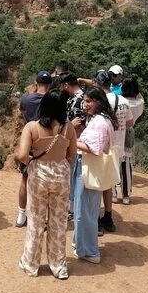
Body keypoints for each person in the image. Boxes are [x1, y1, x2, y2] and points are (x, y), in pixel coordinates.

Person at [17, 90, 77, 280]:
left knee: (36, 220)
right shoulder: (69, 128)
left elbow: (22, 155)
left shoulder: (32, 127)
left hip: (39, 175)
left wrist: (32, 161)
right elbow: (72, 154)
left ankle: (31, 264)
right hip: (61, 174)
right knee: (58, 222)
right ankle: (58, 266)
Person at [73, 88, 117, 264]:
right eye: (85, 101)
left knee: (84, 211)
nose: (85, 105)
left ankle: (89, 250)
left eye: (88, 101)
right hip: (91, 168)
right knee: (87, 210)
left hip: (88, 168)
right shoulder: (104, 119)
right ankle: (82, 244)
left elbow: (95, 148)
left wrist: (72, 142)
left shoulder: (99, 122)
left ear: (98, 102)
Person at [16, 71, 53, 227]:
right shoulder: (52, 100)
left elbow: (22, 111)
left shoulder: (26, 99)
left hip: (29, 141)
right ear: (50, 85)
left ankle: (21, 215)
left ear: (36, 83)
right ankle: (43, 218)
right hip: (47, 144)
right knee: (47, 182)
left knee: (25, 179)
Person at [92, 70, 120, 233]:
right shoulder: (117, 99)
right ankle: (108, 217)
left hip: (98, 147)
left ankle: (95, 220)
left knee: (96, 184)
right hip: (110, 146)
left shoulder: (98, 100)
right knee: (107, 184)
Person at [58, 72, 85, 218]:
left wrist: (68, 128)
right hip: (76, 142)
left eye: (62, 86)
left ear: (66, 85)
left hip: (76, 142)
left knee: (73, 176)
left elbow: (79, 124)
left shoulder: (78, 100)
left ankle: (72, 209)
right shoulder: (81, 97)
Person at [119, 78, 145, 205]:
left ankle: (113, 194)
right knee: (126, 163)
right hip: (129, 131)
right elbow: (140, 97)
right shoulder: (139, 103)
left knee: (114, 161)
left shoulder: (120, 101)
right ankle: (126, 195)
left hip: (117, 130)